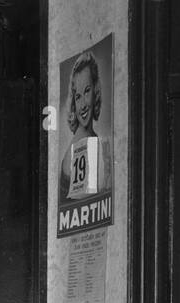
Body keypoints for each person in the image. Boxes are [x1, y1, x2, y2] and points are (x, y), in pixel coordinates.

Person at [59, 49, 112, 203]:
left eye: (87, 91)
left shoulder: (91, 140)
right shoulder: (82, 143)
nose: (82, 105)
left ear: (96, 90)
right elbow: (86, 203)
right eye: (77, 96)